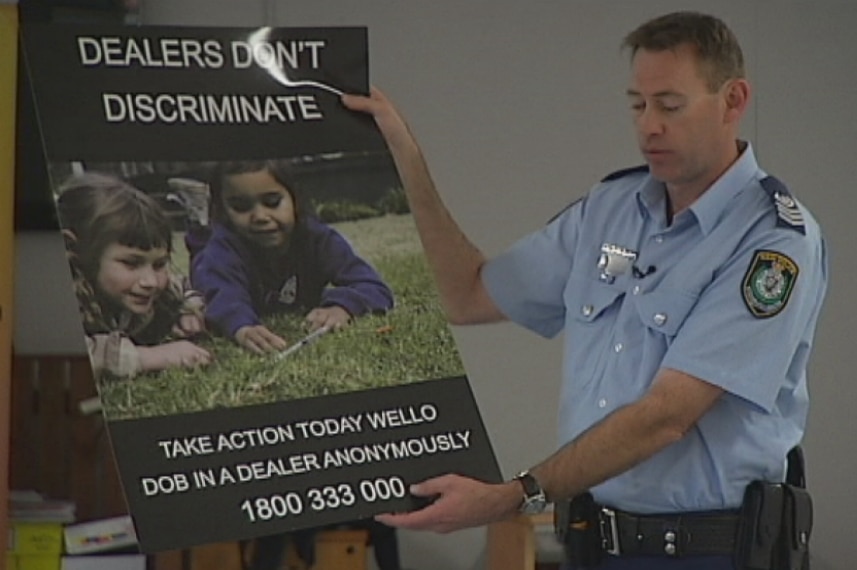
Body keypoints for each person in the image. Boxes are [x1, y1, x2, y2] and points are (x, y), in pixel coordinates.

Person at [342, 10, 828, 570]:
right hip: (594, 542)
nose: (649, 126)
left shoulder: (772, 242)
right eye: (637, 105)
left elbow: (667, 415)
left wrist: (513, 495)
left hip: (708, 551)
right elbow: (468, 294)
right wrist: (404, 157)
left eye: (670, 105)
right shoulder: (611, 209)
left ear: (733, 100)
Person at [190, 160, 394, 354]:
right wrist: (241, 326)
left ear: (295, 199)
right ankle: (200, 224)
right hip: (208, 261)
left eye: (272, 202)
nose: (260, 216)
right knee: (203, 269)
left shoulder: (318, 239)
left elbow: (373, 286)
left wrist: (343, 307)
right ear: (224, 210)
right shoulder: (224, 249)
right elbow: (222, 297)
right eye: (241, 207)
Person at [56, 172, 212, 380]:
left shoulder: (157, 289)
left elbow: (183, 289)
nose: (151, 282)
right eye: (131, 263)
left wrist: (188, 313)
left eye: (159, 264)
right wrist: (146, 357)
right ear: (73, 249)